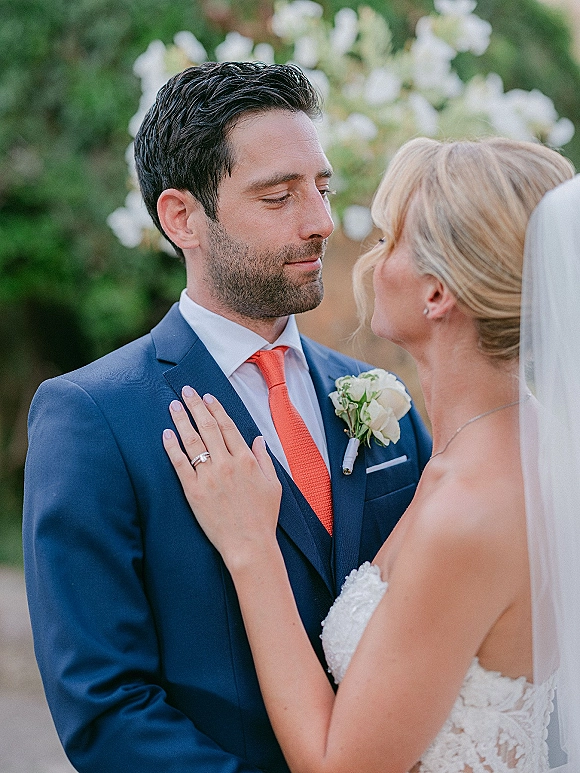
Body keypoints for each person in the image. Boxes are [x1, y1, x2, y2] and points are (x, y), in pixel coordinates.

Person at [22, 62, 431, 773]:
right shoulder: (91, 417)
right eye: (278, 197)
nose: (321, 223)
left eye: (322, 189)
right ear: (182, 217)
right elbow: (105, 706)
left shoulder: (377, 393)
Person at [162, 136, 578, 772]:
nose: (363, 256)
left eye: (388, 242)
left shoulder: (472, 509)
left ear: (436, 293)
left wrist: (251, 549)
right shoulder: (513, 449)